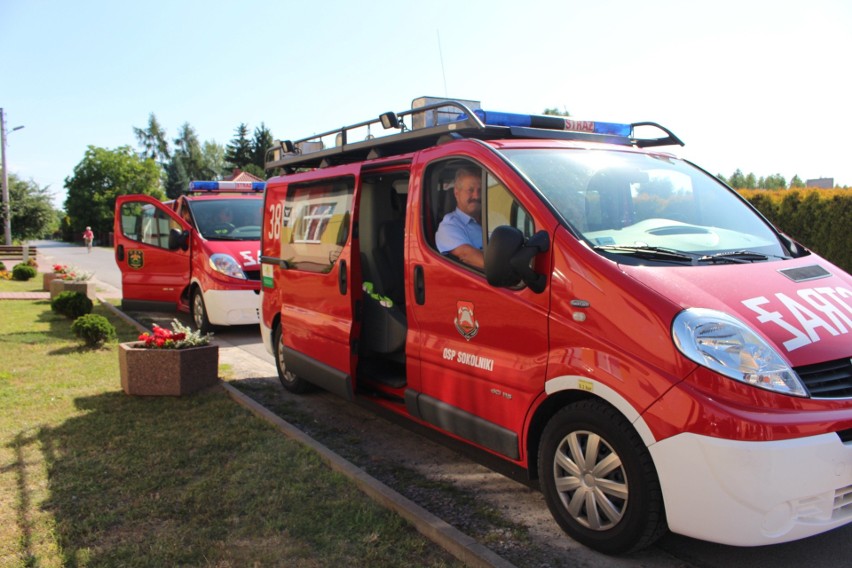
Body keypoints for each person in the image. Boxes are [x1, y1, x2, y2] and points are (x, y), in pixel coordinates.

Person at [435, 166, 484, 269]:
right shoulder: (449, 226)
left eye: (480, 190)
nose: (477, 196)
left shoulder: (494, 217)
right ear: (456, 193)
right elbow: (468, 256)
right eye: (470, 190)